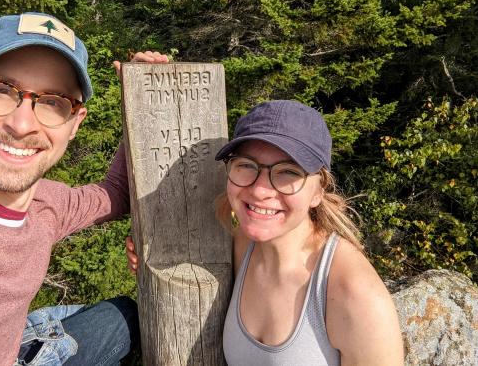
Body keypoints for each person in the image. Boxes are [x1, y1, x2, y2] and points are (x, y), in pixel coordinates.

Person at [0, 12, 167, 365]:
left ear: (74, 124)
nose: (22, 124)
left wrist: (141, 99)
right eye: (2, 91)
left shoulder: (46, 204)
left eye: (53, 102)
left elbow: (115, 194)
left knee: (126, 316)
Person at [126, 99, 404, 365]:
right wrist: (151, 252)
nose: (260, 190)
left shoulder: (355, 295)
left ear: (318, 190)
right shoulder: (241, 244)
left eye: (288, 172)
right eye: (247, 166)